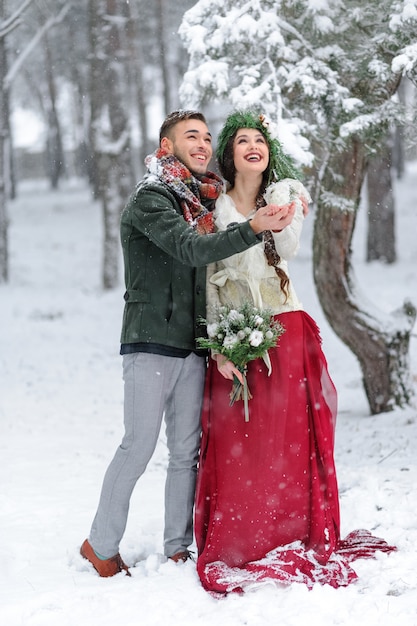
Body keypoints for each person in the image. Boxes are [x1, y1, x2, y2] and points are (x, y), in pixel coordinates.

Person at [80, 110, 296, 577]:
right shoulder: (151, 199)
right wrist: (252, 227)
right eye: (189, 136)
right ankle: (99, 544)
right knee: (138, 445)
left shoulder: (201, 204)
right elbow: (190, 250)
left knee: (185, 452)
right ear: (166, 146)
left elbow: (208, 275)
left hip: (192, 347)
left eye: (206, 136)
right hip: (151, 341)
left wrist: (215, 343)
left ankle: (177, 546)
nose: (201, 144)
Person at [194, 110, 396, 594]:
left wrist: (284, 205)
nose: (252, 145)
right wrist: (220, 347)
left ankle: (289, 530)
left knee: (289, 439)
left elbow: (285, 250)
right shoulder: (214, 212)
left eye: (260, 139)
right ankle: (245, 535)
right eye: (242, 139)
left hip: (284, 326)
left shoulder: (284, 196)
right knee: (241, 439)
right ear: (230, 153)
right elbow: (211, 284)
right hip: (236, 333)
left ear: (269, 153)